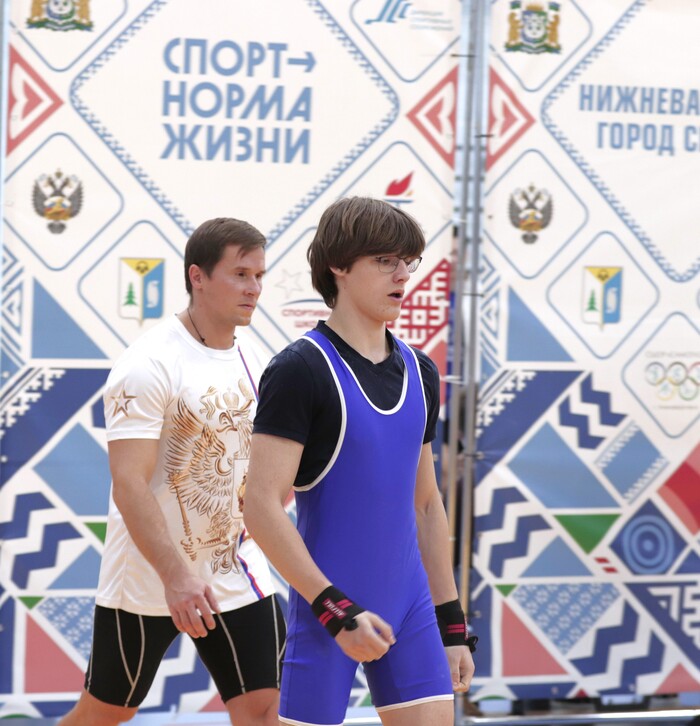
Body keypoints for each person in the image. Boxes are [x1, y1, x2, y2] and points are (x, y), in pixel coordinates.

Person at [244, 197, 476, 726]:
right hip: (326, 611)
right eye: (385, 261)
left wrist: (452, 625)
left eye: (408, 262)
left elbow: (425, 505)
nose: (403, 275)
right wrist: (334, 610)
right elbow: (260, 507)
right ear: (339, 267)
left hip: (412, 608)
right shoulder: (300, 370)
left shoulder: (421, 372)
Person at [60, 218, 285, 726]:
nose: (254, 288)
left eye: (259, 275)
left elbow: (267, 466)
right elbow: (129, 482)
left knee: (266, 710)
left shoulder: (257, 358)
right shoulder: (148, 363)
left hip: (234, 568)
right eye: (241, 274)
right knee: (106, 714)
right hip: (148, 575)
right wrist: (177, 576)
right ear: (197, 276)